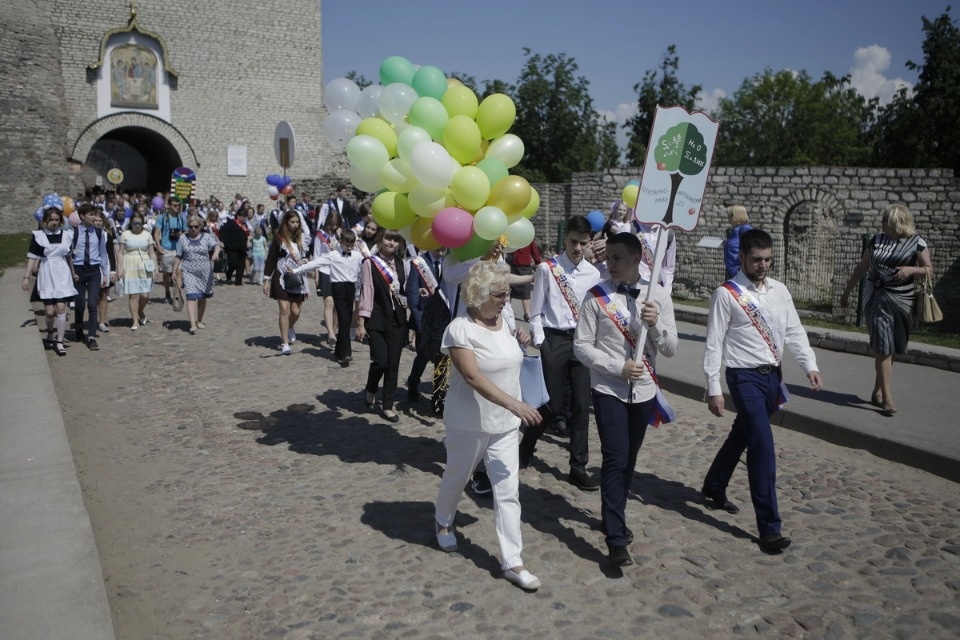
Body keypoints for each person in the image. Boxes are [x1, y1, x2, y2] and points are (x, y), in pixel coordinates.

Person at [702, 228, 823, 555]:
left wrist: (809, 365)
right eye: (756, 259)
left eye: (768, 259)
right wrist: (714, 387)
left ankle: (714, 484)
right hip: (743, 377)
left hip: (772, 378)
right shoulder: (726, 294)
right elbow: (713, 344)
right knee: (762, 446)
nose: (763, 265)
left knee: (743, 433)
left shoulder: (779, 291)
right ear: (742, 257)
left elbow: (794, 331)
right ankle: (770, 529)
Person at [433, 260, 544, 591]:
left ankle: (513, 561)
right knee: (458, 476)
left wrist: (522, 340)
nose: (506, 299)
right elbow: (472, 376)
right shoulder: (460, 329)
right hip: (469, 423)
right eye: (499, 294)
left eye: (507, 292)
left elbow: (507, 360)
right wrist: (515, 404)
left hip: (505, 426)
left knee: (508, 491)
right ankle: (443, 521)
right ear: (478, 295)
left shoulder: (505, 320)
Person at [573, 232, 678, 566]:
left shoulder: (658, 296)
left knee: (629, 460)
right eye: (608, 258)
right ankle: (616, 538)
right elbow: (582, 346)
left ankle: (612, 512)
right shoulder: (596, 296)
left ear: (637, 259)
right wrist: (616, 367)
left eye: (618, 258)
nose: (611, 264)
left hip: (644, 391)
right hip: (608, 389)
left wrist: (655, 325)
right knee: (615, 458)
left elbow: (671, 348)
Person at [520, 215, 601, 490]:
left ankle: (578, 467)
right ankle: (526, 445)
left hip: (581, 341)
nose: (577, 248)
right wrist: (542, 341)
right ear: (565, 238)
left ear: (589, 242)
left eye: (583, 243)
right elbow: (535, 311)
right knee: (552, 404)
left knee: (581, 405)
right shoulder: (548, 269)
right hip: (554, 339)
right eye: (573, 242)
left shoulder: (593, 274)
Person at [840, 204, 932, 416]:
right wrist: (846, 293)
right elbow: (862, 267)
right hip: (875, 297)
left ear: (898, 223)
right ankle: (888, 400)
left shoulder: (917, 242)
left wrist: (911, 269)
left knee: (892, 348)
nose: (881, 223)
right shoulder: (876, 240)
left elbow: (928, 270)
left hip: (902, 300)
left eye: (885, 220)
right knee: (884, 347)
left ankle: (877, 391)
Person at [356, 229, 408, 422]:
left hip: (397, 320)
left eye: (395, 240)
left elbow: (404, 291)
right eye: (388, 238)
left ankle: (387, 406)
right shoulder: (370, 263)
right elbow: (367, 292)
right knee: (381, 361)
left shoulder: (402, 263)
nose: (391, 243)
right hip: (376, 319)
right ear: (381, 239)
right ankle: (371, 388)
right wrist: (361, 322)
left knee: (393, 364)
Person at [293, 229, 364, 365]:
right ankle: (346, 353)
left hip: (350, 288)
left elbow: (368, 264)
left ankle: (338, 351)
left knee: (347, 319)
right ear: (341, 242)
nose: (349, 248)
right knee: (344, 319)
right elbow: (315, 263)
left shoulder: (357, 255)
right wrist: (297, 270)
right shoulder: (333, 255)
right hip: (337, 288)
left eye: (351, 245)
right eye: (346, 245)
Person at [22, 197, 76, 356]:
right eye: (51, 220)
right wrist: (26, 277)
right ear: (46, 220)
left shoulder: (66, 235)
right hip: (47, 272)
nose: (54, 222)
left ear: (61, 220)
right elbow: (32, 257)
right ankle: (50, 331)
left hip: (62, 273)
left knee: (61, 308)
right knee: (50, 312)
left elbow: (69, 257)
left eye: (57, 220)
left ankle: (60, 341)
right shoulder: (38, 236)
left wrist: (73, 272)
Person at [262, 210, 309, 355]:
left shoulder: (301, 238)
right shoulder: (279, 238)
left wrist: (305, 260)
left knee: (295, 311)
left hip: (297, 277)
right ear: (286, 222)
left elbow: (305, 255)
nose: (295, 225)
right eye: (292, 222)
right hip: (281, 276)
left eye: (297, 222)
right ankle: (285, 343)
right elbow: (271, 259)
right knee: (284, 309)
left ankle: (289, 326)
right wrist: (266, 279)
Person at [405, 247, 447, 405]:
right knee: (423, 356)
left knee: (443, 357)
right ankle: (413, 383)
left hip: (443, 319)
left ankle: (438, 398)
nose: (441, 247)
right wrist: (419, 322)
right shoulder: (419, 263)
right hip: (424, 320)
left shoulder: (448, 262)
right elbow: (412, 294)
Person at [70, 202, 110, 350]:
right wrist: (71, 272)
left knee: (93, 304)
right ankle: (78, 326)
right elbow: (69, 254)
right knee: (80, 303)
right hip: (78, 271)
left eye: (95, 215)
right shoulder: (73, 233)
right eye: (91, 215)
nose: (94, 217)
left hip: (94, 271)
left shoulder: (99, 233)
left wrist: (105, 273)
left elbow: (103, 254)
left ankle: (91, 336)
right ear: (82, 216)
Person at [173, 215, 221, 334]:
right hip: (189, 271)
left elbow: (216, 246)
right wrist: (174, 270)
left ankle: (199, 320)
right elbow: (178, 255)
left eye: (196, 226)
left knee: (202, 297)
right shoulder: (183, 238)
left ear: (200, 226)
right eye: (190, 227)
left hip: (205, 272)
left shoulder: (207, 237)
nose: (193, 229)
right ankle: (192, 323)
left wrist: (216, 253)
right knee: (191, 295)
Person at [116, 211, 156, 330]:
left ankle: (140, 311)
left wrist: (155, 268)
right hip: (130, 264)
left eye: (139, 223)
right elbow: (120, 253)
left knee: (145, 294)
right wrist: (119, 269)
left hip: (145, 265)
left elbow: (152, 253)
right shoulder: (125, 234)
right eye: (134, 223)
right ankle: (135, 321)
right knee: (133, 294)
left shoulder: (147, 234)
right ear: (131, 223)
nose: (137, 226)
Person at [313, 211, 343, 348]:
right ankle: (330, 333)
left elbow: (347, 252)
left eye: (336, 224)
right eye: (332, 224)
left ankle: (334, 331)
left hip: (339, 271)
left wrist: (341, 236)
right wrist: (316, 273)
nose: (334, 227)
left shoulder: (342, 235)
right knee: (328, 302)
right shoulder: (320, 235)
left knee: (337, 305)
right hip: (325, 270)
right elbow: (316, 255)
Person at [154, 198, 186, 303]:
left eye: (178, 205)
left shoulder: (181, 217)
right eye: (174, 205)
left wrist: (180, 234)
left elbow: (187, 231)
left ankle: (177, 294)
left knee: (178, 272)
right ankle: (167, 292)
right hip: (166, 248)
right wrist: (158, 246)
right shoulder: (162, 217)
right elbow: (157, 232)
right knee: (166, 273)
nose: (177, 207)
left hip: (178, 249)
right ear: (169, 205)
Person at [507, 239, 541, 322]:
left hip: (522, 264)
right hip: (513, 264)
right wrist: (537, 261)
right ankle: (507, 310)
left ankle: (526, 313)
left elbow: (534, 249)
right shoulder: (512, 234)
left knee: (524, 290)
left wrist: (538, 261)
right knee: (510, 288)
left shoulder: (528, 236)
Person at [219, 207, 250, 285]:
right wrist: (222, 241)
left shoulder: (244, 225)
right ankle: (228, 273)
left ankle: (238, 281)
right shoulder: (231, 223)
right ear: (238, 216)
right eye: (243, 216)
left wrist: (248, 240)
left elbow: (246, 234)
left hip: (242, 248)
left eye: (245, 217)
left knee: (241, 265)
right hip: (231, 247)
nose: (244, 218)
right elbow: (222, 231)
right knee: (233, 263)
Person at [723, 205, 752, 279]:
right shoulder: (733, 231)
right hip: (732, 271)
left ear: (735, 215)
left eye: (729, 214)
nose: (728, 217)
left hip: (739, 273)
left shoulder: (745, 229)